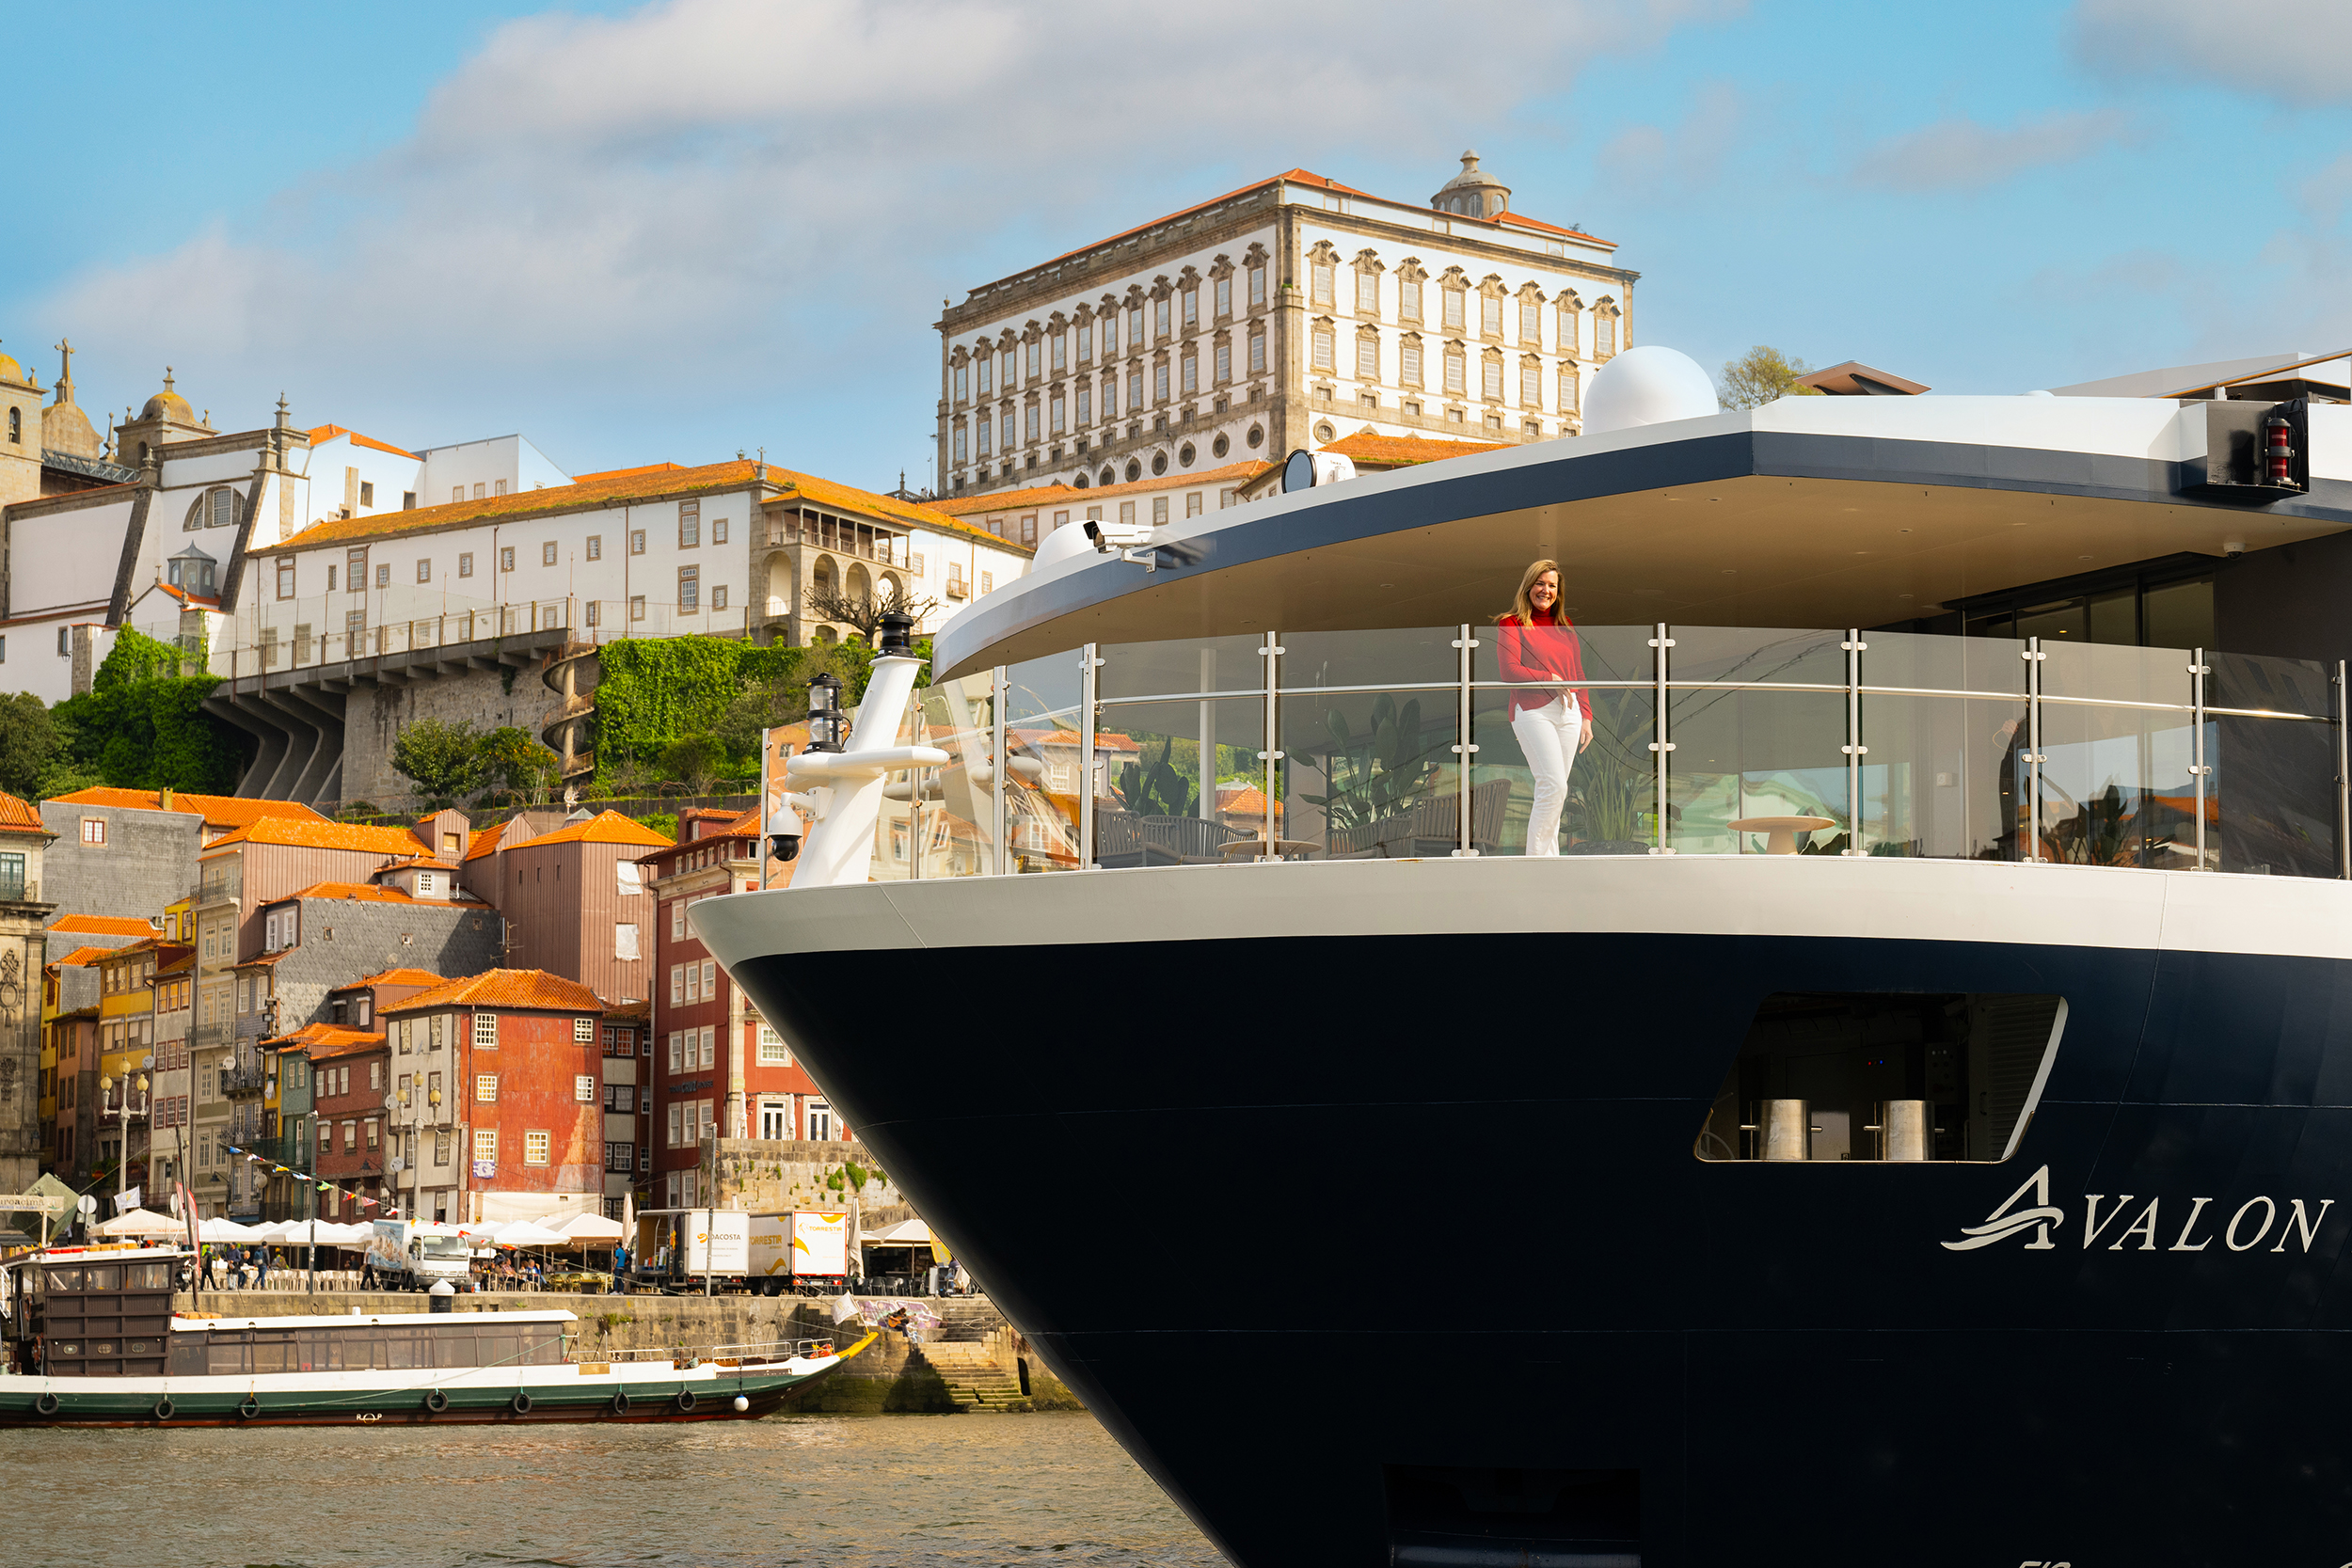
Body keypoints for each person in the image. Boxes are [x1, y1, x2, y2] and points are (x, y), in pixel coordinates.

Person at [1496, 560, 1594, 856]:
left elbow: (1578, 673)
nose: (1546, 590)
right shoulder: (1511, 623)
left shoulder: (1565, 626)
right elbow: (1509, 671)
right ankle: (1537, 862)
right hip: (1532, 709)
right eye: (1540, 583)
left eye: (1552, 585)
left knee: (1554, 791)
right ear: (1528, 586)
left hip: (1570, 712)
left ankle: (1549, 860)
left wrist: (1586, 715)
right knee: (1554, 786)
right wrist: (1549, 678)